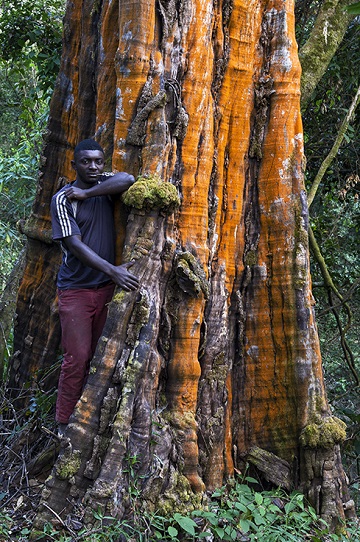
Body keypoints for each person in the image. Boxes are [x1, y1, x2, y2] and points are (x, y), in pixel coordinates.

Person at [51, 139, 139, 431]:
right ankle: (64, 423)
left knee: (106, 357)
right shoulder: (63, 199)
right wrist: (114, 271)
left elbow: (128, 179)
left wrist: (88, 192)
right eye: (86, 162)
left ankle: (95, 420)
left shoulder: (101, 185)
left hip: (107, 289)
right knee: (77, 358)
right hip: (75, 291)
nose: (92, 166)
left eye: (98, 161)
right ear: (73, 164)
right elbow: (74, 245)